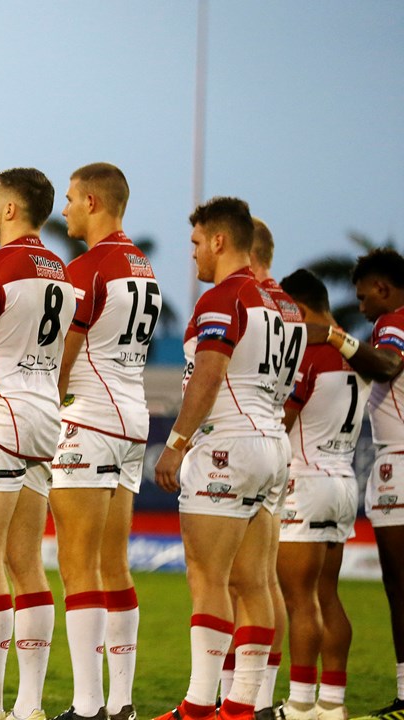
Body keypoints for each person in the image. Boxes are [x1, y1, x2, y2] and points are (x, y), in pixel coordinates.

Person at [153, 197, 287, 720]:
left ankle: (198, 706)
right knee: (254, 582)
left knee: (208, 577)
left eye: (195, 243)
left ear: (219, 240)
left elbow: (208, 374)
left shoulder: (223, 297)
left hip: (228, 443)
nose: (192, 254)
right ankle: (241, 705)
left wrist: (176, 444)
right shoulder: (279, 304)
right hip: (272, 443)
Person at [0, 167, 75, 720]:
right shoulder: (61, 272)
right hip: (44, 417)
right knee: (26, 562)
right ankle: (29, 706)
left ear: (9, 209)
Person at [50, 163, 159, 720]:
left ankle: (88, 705)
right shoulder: (143, 267)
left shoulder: (89, 268)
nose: (64, 208)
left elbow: (64, 355)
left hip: (89, 418)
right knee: (114, 564)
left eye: (70, 198)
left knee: (78, 565)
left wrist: (48, 409)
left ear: (92, 202)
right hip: (131, 419)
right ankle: (120, 702)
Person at [306, 247, 404, 720]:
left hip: (398, 463)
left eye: (364, 297)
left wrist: (333, 336)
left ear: (383, 289)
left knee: (399, 586)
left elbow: (387, 365)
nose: (361, 307)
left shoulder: (393, 322)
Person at [221, 218, 306, 719]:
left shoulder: (246, 300)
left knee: (233, 580)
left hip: (240, 440)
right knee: (262, 581)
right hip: (276, 441)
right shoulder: (289, 308)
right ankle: (259, 697)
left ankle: (229, 697)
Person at [275, 269, 362, 720]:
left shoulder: (309, 352)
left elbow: (283, 420)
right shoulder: (355, 351)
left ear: (300, 309)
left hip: (306, 482)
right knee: (327, 595)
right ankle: (332, 702)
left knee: (299, 600)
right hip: (343, 480)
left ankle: (301, 703)